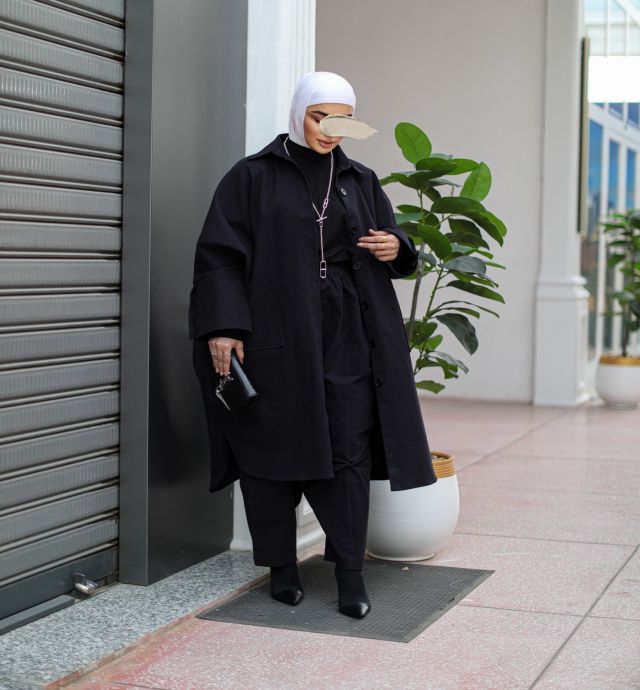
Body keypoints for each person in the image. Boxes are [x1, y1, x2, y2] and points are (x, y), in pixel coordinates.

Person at [188, 71, 437, 619]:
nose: (329, 130)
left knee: (349, 449)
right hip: (273, 334)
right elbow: (219, 257)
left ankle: (350, 572)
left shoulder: (360, 179)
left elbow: (395, 246)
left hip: (350, 332)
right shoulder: (251, 176)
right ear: (299, 111)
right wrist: (224, 327)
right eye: (319, 116)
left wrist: (396, 246)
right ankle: (281, 567)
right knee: (273, 446)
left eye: (341, 119)